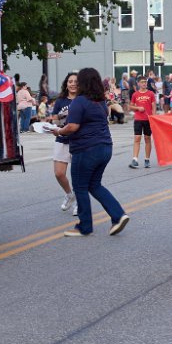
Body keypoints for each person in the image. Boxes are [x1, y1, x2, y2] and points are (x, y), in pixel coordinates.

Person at [51, 67, 130, 237]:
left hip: (86, 149)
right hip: (105, 147)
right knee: (94, 185)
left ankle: (84, 226)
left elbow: (72, 126)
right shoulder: (100, 102)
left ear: (83, 82)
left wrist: (58, 131)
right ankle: (118, 215)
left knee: (80, 187)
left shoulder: (79, 101)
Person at [51, 72, 78, 215]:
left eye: (75, 81)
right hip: (62, 139)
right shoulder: (60, 101)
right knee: (59, 173)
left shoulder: (82, 99)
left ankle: (80, 202)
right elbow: (55, 119)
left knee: (78, 174)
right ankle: (69, 194)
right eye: (70, 81)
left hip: (78, 141)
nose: (73, 84)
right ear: (66, 84)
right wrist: (54, 125)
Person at [128, 76, 155, 168]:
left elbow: (153, 106)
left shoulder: (151, 93)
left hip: (148, 119)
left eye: (145, 82)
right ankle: (135, 159)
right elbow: (130, 106)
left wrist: (153, 117)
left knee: (147, 138)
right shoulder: (135, 94)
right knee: (137, 138)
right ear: (138, 83)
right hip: (138, 119)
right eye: (142, 82)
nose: (144, 83)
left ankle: (147, 159)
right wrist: (138, 108)